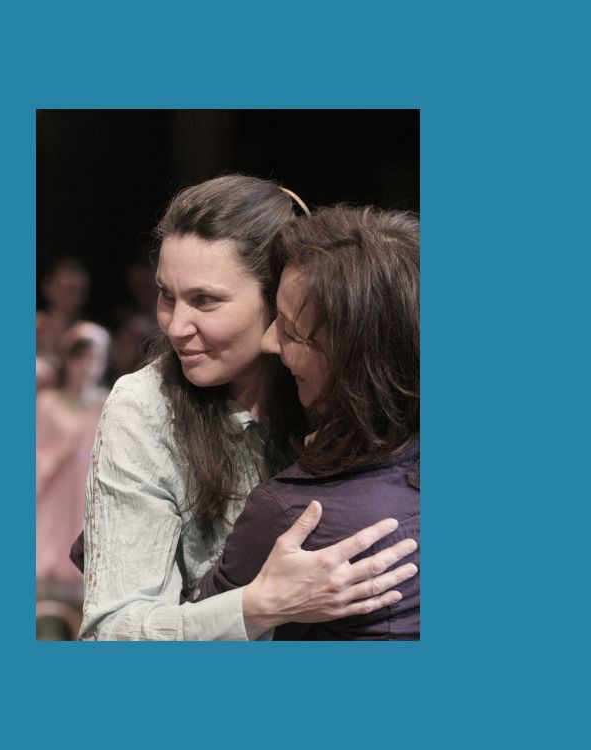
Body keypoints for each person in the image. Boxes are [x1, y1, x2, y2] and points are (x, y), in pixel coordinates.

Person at [79, 175, 418, 641]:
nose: (176, 327)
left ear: (281, 297)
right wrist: (260, 606)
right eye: (166, 295)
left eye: (205, 301)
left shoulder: (333, 383)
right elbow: (110, 632)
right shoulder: (146, 406)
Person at [190, 205, 420, 639]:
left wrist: (258, 605)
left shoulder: (294, 516)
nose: (268, 341)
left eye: (293, 333)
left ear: (355, 363)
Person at [36, 321, 111, 613]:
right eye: (81, 358)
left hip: (88, 500)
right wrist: (60, 452)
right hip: (54, 500)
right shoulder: (47, 404)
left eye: (96, 358)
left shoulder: (107, 404)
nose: (88, 367)